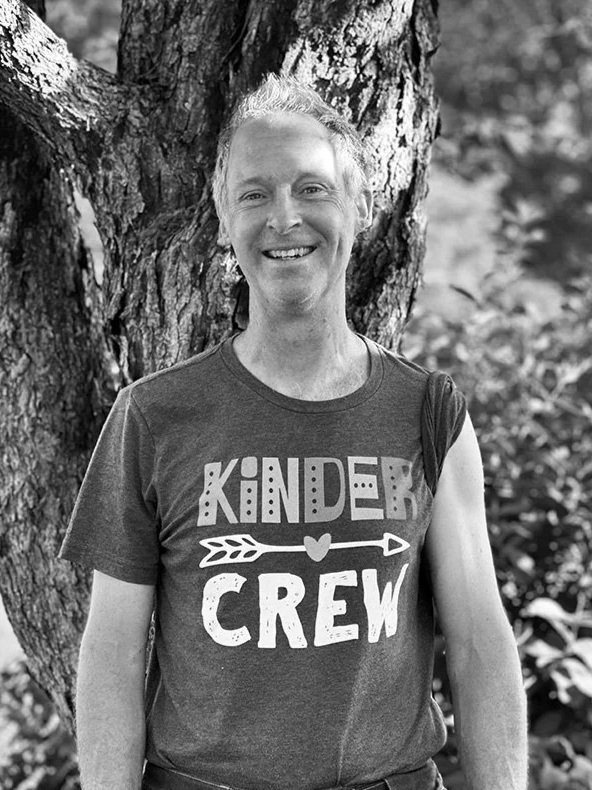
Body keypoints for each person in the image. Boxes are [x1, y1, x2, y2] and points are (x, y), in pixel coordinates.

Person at [59, 74, 528, 790]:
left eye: (312, 189)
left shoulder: (428, 413)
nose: (285, 218)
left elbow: (478, 644)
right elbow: (113, 657)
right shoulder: (153, 418)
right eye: (254, 194)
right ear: (224, 218)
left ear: (357, 206)